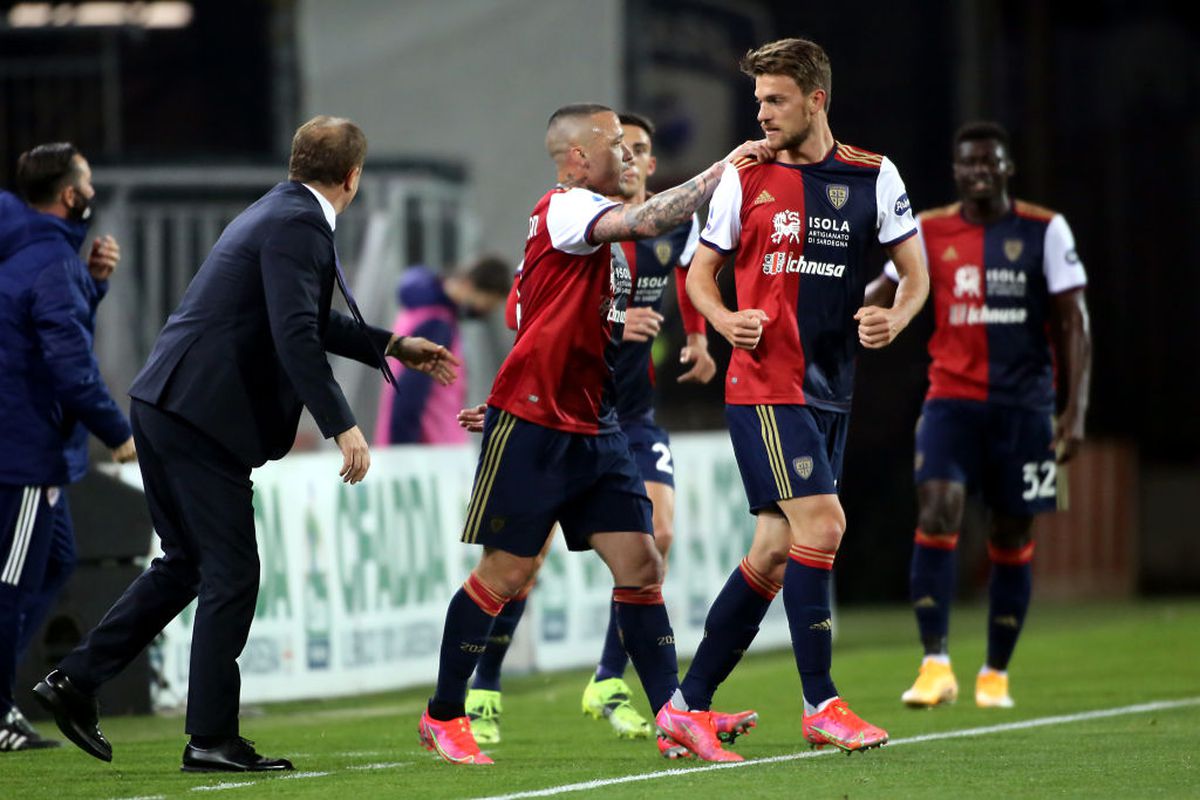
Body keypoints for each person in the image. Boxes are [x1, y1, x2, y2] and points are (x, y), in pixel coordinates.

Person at [33, 116, 459, 772]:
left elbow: (306, 321)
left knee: (187, 564)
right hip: (200, 415)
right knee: (232, 572)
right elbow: (295, 332)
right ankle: (210, 737)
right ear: (353, 178)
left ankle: (76, 680)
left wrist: (392, 344)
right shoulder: (297, 224)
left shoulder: (279, 210)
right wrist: (341, 423)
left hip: (170, 403)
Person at [417, 102, 771, 766]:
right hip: (538, 424)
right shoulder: (568, 207)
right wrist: (726, 169)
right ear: (579, 158)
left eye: (637, 149)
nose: (632, 156)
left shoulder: (584, 231)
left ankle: (675, 715)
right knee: (507, 573)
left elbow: (536, 313)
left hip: (596, 421)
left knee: (642, 563)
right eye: (618, 145)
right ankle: (444, 713)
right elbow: (646, 217)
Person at [678, 37, 929, 754]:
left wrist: (897, 316)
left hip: (831, 389)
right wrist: (725, 321)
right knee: (824, 525)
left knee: (774, 552)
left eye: (775, 99)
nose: (761, 113)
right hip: (763, 386)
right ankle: (821, 703)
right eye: (757, 99)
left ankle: (687, 704)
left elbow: (914, 274)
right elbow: (700, 275)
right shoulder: (743, 177)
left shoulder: (873, 176)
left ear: (816, 100)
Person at [863, 121, 1091, 710]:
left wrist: (1074, 411)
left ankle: (995, 672)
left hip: (1027, 412)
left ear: (1007, 168)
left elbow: (1074, 322)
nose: (978, 171)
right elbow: (881, 289)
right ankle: (935, 663)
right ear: (957, 170)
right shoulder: (931, 230)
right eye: (968, 163)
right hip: (950, 403)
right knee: (938, 510)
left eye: (989, 162)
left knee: (1013, 531)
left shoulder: (1045, 229)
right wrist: (857, 313)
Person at [0, 145, 134, 752]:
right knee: (11, 583)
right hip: (24, 449)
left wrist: (94, 284)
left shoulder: (36, 250)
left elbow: (45, 328)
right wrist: (118, 431)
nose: (92, 190)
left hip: (25, 441)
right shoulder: (51, 260)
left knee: (54, 563)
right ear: (69, 195)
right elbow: (70, 367)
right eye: (86, 181)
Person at [373, 255, 512, 445]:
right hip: (432, 452)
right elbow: (409, 395)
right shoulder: (437, 325)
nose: (483, 312)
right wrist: (403, 452)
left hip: (427, 450)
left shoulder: (421, 312)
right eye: (486, 303)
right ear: (470, 285)